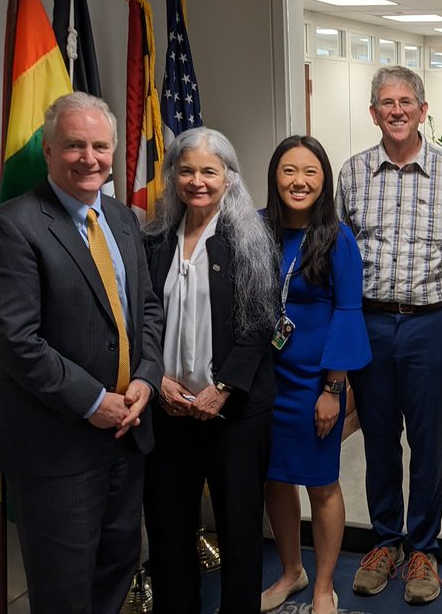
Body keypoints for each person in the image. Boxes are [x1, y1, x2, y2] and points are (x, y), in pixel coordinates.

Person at [0, 92, 163, 614]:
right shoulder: (13, 227)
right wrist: (93, 400)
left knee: (115, 571)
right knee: (63, 592)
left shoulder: (124, 219)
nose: (90, 158)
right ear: (49, 150)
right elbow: (15, 340)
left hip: (128, 434)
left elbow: (145, 308)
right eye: (74, 145)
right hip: (57, 447)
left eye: (101, 146)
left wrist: (146, 377)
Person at [337, 65, 442, 605]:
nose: (396, 111)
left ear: (423, 110)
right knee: (378, 438)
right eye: (386, 103)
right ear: (373, 113)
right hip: (370, 323)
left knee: (428, 441)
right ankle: (385, 541)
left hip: (430, 324)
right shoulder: (353, 173)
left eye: (406, 102)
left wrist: (440, 287)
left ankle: (423, 546)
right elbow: (338, 250)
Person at [142, 127, 279, 613]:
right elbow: (139, 317)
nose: (196, 181)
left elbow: (262, 325)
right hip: (167, 410)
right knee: (167, 526)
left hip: (233, 414)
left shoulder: (249, 239)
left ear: (229, 177)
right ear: (172, 176)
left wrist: (222, 390)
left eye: (208, 171)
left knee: (239, 529)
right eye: (186, 170)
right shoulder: (154, 238)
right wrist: (154, 378)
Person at [261, 135, 371, 614]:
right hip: (264, 383)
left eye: (310, 172)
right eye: (289, 171)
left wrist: (333, 389)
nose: (299, 181)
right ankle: (291, 571)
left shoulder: (337, 237)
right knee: (275, 480)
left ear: (323, 180)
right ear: (274, 177)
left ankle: (324, 585)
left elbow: (348, 314)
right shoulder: (257, 230)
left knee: (321, 483)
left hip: (314, 385)